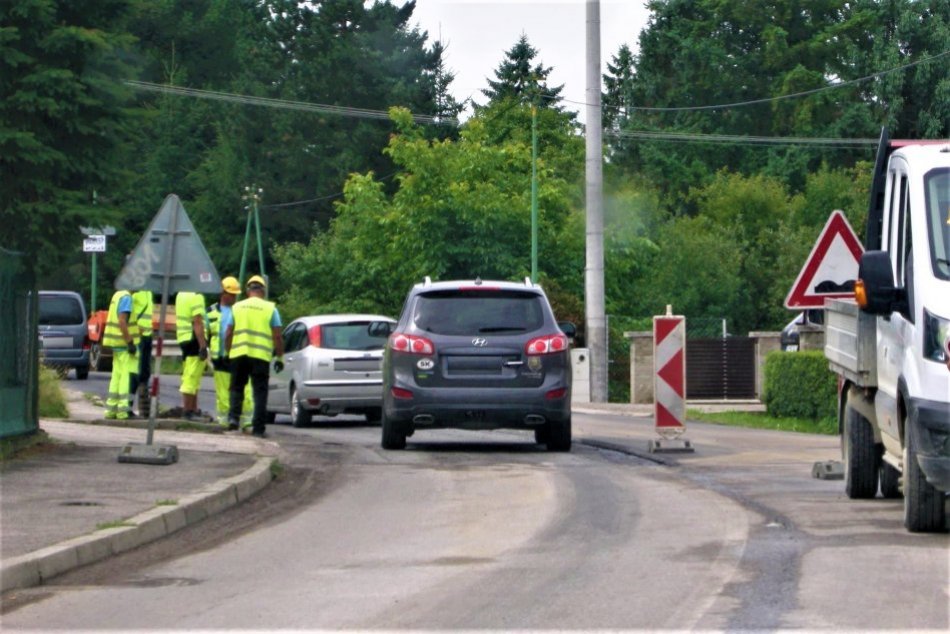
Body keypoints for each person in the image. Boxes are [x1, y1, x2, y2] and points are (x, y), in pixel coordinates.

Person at [225, 275, 283, 438]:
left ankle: (233, 419)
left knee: (237, 387)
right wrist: (280, 358)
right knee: (260, 393)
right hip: (260, 357)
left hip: (239, 354)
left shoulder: (237, 307)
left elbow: (228, 333)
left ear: (247, 290)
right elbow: (277, 336)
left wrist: (228, 352)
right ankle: (258, 429)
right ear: (263, 291)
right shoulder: (271, 309)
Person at [207, 276, 252, 427]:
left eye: (235, 295)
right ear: (223, 293)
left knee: (245, 390)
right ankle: (225, 421)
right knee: (223, 392)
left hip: (238, 356)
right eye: (231, 294)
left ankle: (246, 421)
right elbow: (207, 333)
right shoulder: (211, 311)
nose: (234, 297)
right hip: (220, 358)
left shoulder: (240, 310)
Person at [102, 288, 138, 420]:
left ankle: (111, 410)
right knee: (126, 377)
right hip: (124, 344)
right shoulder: (126, 297)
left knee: (116, 376)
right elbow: (122, 321)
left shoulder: (117, 295)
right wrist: (130, 342)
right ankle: (123, 410)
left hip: (116, 343)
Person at [175, 290, 208, 421]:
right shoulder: (197, 297)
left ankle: (193, 409)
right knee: (192, 377)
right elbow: (197, 322)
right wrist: (203, 345)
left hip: (183, 338)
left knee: (190, 375)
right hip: (194, 339)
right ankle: (188, 411)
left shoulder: (180, 295)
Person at [129, 287, 153, 416]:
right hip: (138, 336)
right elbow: (127, 313)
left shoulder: (148, 292)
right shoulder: (135, 292)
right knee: (135, 373)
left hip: (147, 336)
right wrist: (134, 328)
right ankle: (128, 406)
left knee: (145, 373)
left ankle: (144, 408)